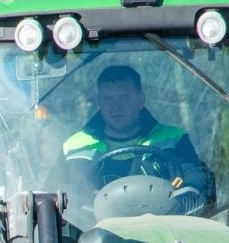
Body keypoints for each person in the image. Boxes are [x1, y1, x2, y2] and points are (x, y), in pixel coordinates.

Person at [63, 64, 211, 211]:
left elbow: (197, 183)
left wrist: (178, 193)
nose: (116, 107)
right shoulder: (76, 147)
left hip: (166, 228)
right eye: (107, 99)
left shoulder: (173, 140)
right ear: (99, 103)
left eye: (124, 97)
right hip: (93, 229)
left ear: (141, 100)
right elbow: (55, 197)